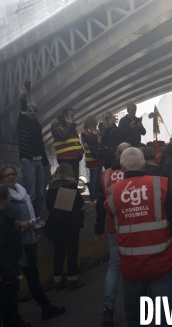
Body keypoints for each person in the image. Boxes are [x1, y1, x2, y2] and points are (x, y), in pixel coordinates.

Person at [104, 147, 172, 327]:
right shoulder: (159, 185)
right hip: (162, 263)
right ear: (144, 165)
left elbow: (112, 227)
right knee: (165, 318)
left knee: (135, 319)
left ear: (122, 167)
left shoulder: (112, 192)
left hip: (131, 267)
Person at [1, 165, 65, 321]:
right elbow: (4, 221)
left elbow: (29, 214)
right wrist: (19, 224)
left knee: (32, 276)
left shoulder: (21, 191)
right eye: (6, 175)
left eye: (12, 174)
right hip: (16, 244)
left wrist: (33, 231)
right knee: (21, 279)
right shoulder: (3, 196)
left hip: (29, 239)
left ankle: (28, 313)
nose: (10, 177)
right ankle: (39, 309)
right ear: (2, 179)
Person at [95, 142, 131, 327]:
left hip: (113, 227)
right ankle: (136, 308)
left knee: (114, 266)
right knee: (134, 264)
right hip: (134, 226)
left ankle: (108, 308)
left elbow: (99, 203)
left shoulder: (105, 175)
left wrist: (98, 228)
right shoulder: (134, 173)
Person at [45, 163, 85, 291]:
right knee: (72, 251)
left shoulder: (51, 187)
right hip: (71, 223)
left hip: (56, 223)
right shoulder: (71, 185)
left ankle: (58, 280)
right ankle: (72, 279)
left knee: (59, 251)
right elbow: (80, 203)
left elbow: (48, 207)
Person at [16, 87, 49, 226]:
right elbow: (23, 113)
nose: (32, 113)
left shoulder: (37, 126)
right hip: (28, 161)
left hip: (39, 161)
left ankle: (37, 218)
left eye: (34, 111)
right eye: (30, 110)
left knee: (40, 192)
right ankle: (31, 220)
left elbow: (41, 145)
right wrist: (23, 98)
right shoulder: (22, 123)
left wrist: (46, 163)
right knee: (31, 193)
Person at [0, 183, 23, 327]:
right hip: (5, 274)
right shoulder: (2, 222)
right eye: (8, 196)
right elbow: (2, 249)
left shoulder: (4, 218)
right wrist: (8, 273)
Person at [51, 108, 84, 182]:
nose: (74, 117)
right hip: (65, 159)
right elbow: (62, 137)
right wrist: (68, 124)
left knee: (75, 182)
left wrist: (80, 153)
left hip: (75, 158)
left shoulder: (72, 126)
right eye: (71, 115)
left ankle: (75, 193)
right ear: (65, 116)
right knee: (67, 182)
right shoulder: (56, 126)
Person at [80, 116, 104, 204]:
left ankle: (97, 195)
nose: (96, 124)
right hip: (91, 159)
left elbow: (99, 142)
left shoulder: (98, 132)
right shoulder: (84, 133)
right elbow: (93, 142)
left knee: (98, 179)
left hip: (99, 158)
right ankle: (93, 196)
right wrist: (94, 134)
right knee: (93, 179)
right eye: (95, 122)